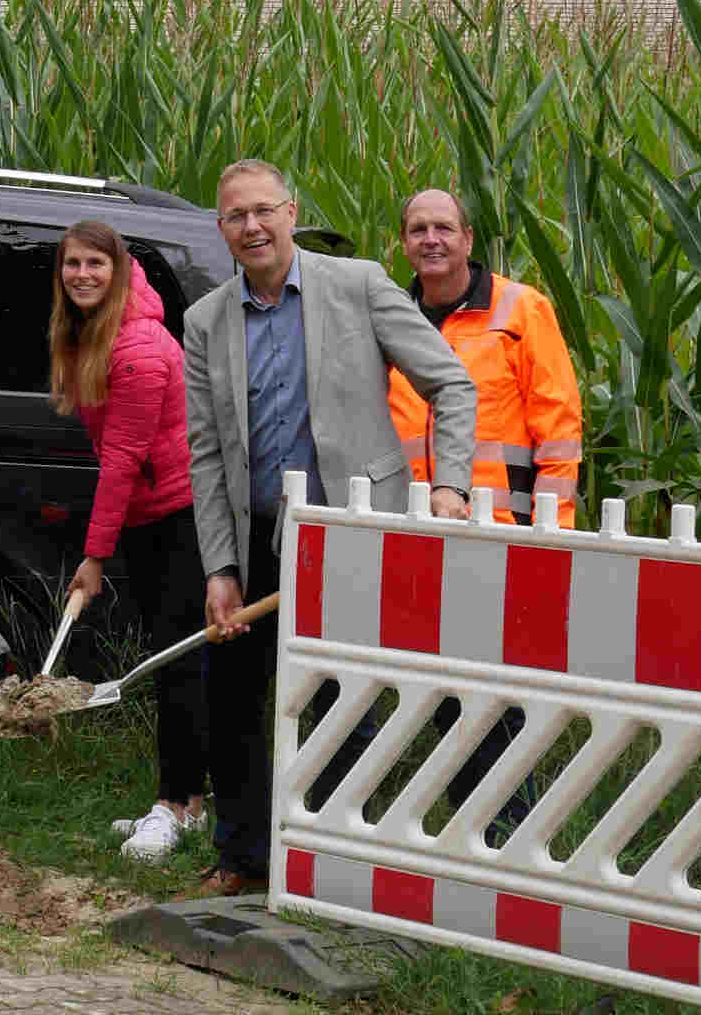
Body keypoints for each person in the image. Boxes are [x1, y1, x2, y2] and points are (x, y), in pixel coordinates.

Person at [183, 159, 477, 896]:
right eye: (234, 217)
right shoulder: (205, 321)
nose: (251, 227)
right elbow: (207, 454)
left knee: (342, 696)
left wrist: (448, 484)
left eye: (263, 211)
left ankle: (340, 857)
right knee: (236, 698)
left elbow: (451, 382)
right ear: (221, 230)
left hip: (352, 532)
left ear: (291, 211)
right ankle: (243, 855)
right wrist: (220, 568)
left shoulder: (359, 285)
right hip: (256, 535)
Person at [389, 187, 582, 843]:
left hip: (503, 538)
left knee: (495, 695)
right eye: (418, 229)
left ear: (469, 240)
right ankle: (474, 829)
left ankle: (506, 831)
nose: (431, 240)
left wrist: (552, 535)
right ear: (405, 244)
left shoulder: (519, 308)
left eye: (444, 227)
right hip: (417, 539)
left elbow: (558, 427)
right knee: (444, 692)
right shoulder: (394, 316)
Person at [48, 221, 207, 862]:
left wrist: (94, 556)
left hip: (181, 516)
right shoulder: (94, 332)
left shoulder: (138, 348)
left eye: (95, 264)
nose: (82, 275)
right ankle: (185, 795)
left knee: (179, 662)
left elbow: (120, 460)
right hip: (149, 513)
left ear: (118, 271)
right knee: (171, 658)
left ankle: (181, 805)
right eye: (72, 264)